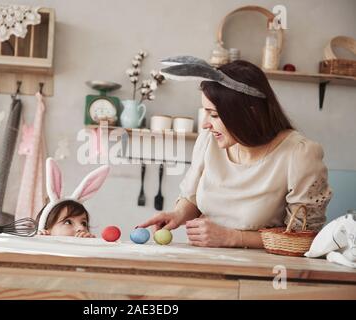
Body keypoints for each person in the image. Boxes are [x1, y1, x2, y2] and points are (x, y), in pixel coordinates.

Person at [139, 57, 333, 249]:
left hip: (262, 271)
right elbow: (192, 197)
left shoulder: (299, 153)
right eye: (205, 112)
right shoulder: (209, 140)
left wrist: (233, 238)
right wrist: (178, 214)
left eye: (214, 115)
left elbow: (302, 238)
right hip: (203, 260)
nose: (206, 123)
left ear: (250, 113)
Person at [36, 157, 110, 238]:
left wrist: (89, 246)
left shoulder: (87, 246)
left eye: (84, 223)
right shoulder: (40, 247)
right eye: (68, 222)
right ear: (46, 230)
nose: (81, 228)